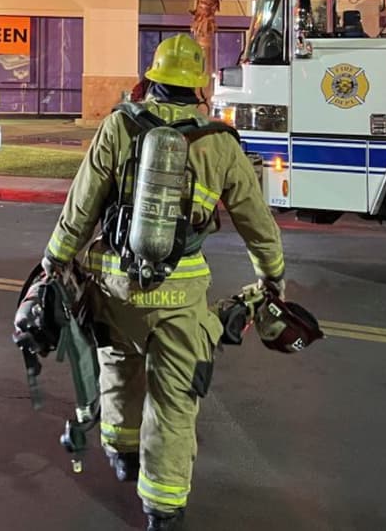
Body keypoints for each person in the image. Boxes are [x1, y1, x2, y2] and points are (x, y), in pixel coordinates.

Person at [39, 34, 286, 531]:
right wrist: (272, 274)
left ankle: (122, 453)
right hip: (182, 296)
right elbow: (255, 219)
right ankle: (164, 507)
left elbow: (82, 204)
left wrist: (54, 261)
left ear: (150, 79)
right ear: (197, 88)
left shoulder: (119, 126)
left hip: (115, 287)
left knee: (120, 367)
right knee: (175, 400)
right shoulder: (219, 143)